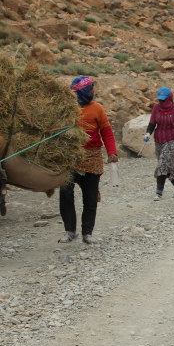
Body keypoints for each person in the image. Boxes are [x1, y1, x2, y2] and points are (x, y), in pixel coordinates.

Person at [59, 76, 117, 244]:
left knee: (90, 197)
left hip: (92, 157)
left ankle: (87, 233)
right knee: (66, 194)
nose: (93, 91)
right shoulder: (67, 110)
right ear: (83, 91)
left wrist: (112, 152)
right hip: (70, 158)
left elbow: (106, 132)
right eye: (90, 89)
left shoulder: (97, 109)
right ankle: (70, 231)